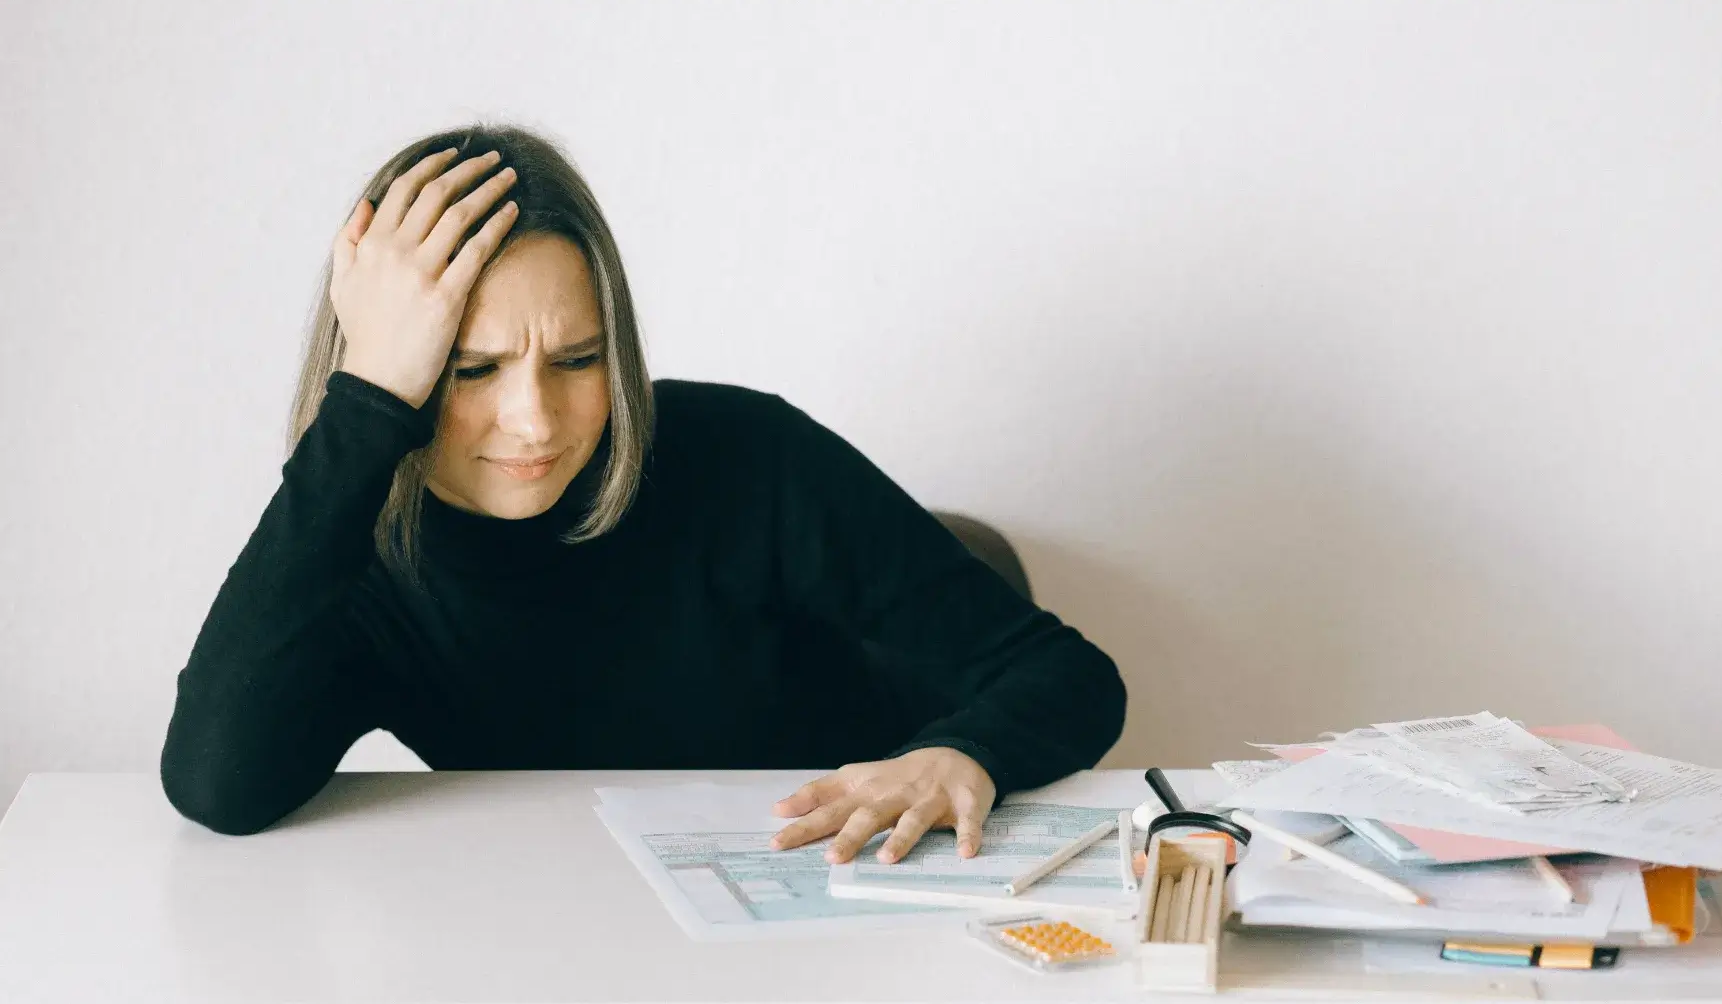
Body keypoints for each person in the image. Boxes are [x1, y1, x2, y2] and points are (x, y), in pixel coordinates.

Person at [159, 123, 1127, 866]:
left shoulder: (750, 453)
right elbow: (216, 786)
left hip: (837, 894)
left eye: (577, 359)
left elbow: (1070, 677)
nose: (535, 421)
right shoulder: (352, 549)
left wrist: (966, 751)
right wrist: (363, 410)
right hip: (582, 920)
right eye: (471, 369)